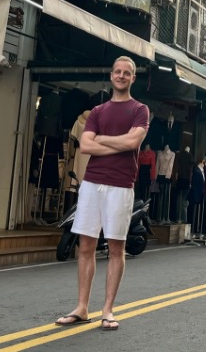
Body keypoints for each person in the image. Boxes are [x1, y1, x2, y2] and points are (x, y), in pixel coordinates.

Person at [55, 56, 150, 332]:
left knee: (116, 248)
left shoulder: (140, 110)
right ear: (111, 76)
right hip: (91, 184)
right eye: (117, 72)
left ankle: (107, 310)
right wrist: (116, 144)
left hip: (121, 186)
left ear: (133, 78)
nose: (121, 76)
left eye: (127, 73)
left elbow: (133, 141)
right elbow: (85, 146)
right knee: (84, 247)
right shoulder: (97, 111)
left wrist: (103, 140)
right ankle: (82, 308)